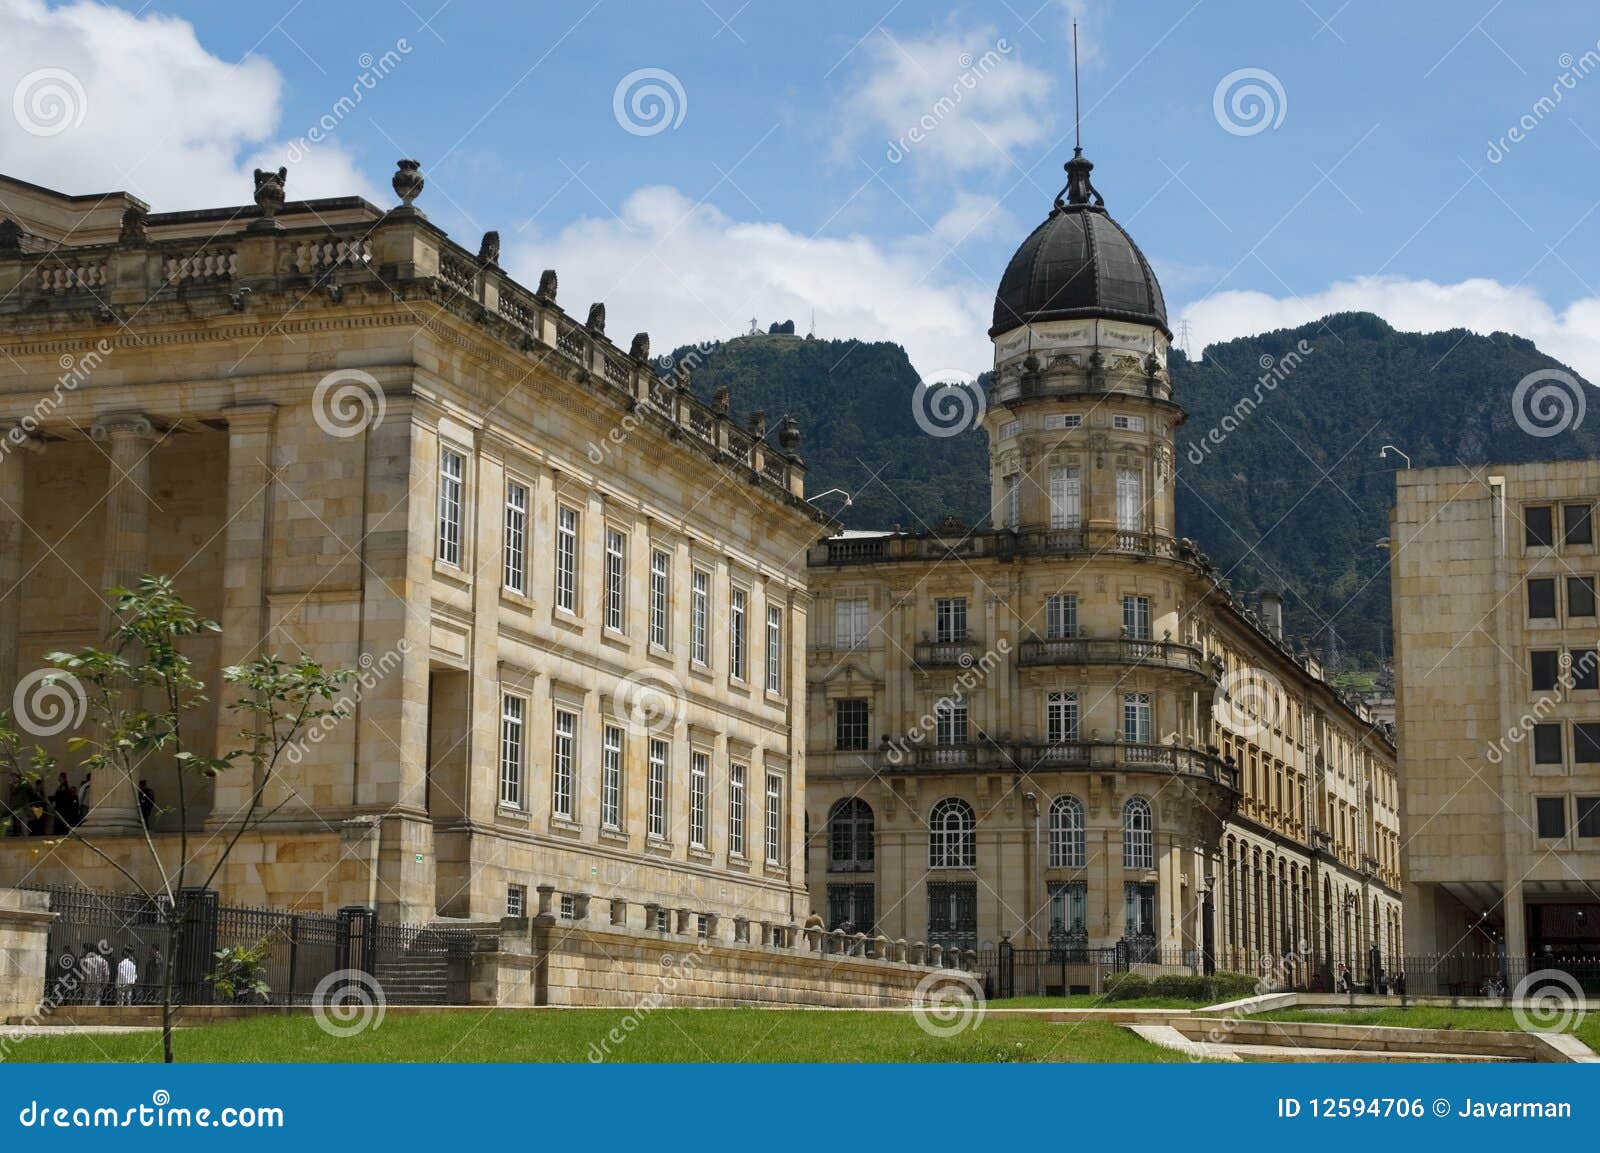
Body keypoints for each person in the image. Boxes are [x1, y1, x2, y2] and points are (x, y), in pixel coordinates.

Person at [79, 942, 109, 1007]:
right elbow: (106, 975)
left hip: (88, 985)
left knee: (85, 1003)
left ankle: (83, 1016)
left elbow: (83, 975)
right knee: (96, 1003)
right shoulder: (104, 962)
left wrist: (82, 984)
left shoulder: (87, 961)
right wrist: (104, 986)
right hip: (98, 985)